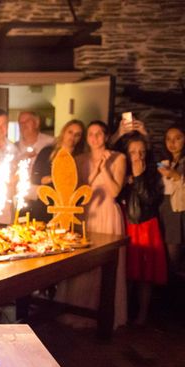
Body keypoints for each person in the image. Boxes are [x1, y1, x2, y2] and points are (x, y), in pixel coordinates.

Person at [56, 121, 128, 328]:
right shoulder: (80, 159)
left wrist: (103, 168)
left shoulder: (118, 158)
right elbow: (78, 190)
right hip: (87, 213)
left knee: (105, 263)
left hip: (107, 212)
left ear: (106, 136)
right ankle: (77, 307)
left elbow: (114, 191)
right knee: (83, 262)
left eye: (99, 134)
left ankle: (103, 312)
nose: (95, 138)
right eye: (91, 134)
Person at [118, 132, 167, 324]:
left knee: (145, 275)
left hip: (146, 226)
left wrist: (139, 178)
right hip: (127, 225)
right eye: (133, 152)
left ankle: (142, 315)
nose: (138, 156)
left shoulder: (153, 173)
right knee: (127, 272)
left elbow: (151, 200)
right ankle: (125, 311)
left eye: (141, 151)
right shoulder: (122, 172)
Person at [30, 119, 86, 222]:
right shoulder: (47, 152)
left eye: (77, 135)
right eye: (70, 132)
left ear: (80, 138)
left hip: (68, 207)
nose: (72, 137)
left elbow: (82, 185)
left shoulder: (80, 158)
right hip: (45, 205)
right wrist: (50, 179)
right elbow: (34, 177)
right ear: (64, 132)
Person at [157, 125, 185, 277]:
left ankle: (174, 287)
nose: (172, 143)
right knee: (164, 249)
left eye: (177, 138)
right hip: (164, 206)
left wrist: (176, 176)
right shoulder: (165, 161)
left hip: (177, 209)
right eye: (168, 139)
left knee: (174, 249)